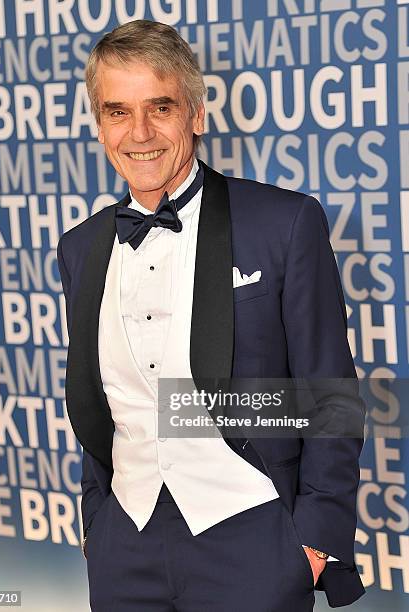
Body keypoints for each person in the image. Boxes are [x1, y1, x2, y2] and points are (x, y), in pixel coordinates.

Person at [57, 19, 365, 612]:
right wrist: (99, 526)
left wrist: (313, 541)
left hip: (254, 536)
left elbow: (330, 393)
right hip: (126, 545)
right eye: (118, 112)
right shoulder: (81, 248)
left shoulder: (284, 224)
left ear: (196, 114)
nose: (139, 133)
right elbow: (102, 403)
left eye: (160, 107)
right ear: (99, 127)